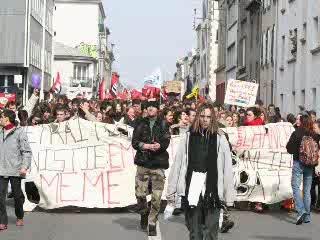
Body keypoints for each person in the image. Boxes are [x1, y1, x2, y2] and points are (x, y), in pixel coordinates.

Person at [165, 103, 235, 240]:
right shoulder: (188, 136)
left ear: (212, 118)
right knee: (195, 231)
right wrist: (171, 190)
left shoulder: (220, 138)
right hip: (192, 187)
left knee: (210, 231)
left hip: (213, 189)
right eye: (202, 116)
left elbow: (227, 168)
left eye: (208, 117)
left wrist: (229, 196)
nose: (205, 119)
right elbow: (178, 164)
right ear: (198, 117)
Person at [132, 100, 171, 236]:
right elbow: (135, 142)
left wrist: (159, 146)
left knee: (156, 196)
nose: (150, 109)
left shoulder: (164, 123)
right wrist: (147, 146)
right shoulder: (140, 123)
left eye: (153, 107)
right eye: (148, 107)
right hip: (143, 163)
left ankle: (152, 221)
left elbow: (166, 140)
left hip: (158, 163)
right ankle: (144, 213)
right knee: (140, 194)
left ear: (157, 109)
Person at [0, 109, 32, 231]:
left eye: (1, 117)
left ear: (7, 119)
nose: (0, 119)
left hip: (15, 169)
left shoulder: (19, 133)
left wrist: (24, 166)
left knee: (17, 196)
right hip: (2, 169)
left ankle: (19, 216)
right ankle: (2, 221)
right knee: (0, 196)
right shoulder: (0, 131)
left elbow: (26, 151)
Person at [286, 114, 320, 225]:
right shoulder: (314, 135)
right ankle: (307, 216)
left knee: (295, 187)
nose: (296, 120)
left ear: (301, 121)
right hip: (310, 165)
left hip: (298, 163)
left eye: (297, 119)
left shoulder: (296, 133)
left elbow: (289, 149)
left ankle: (301, 211)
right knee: (307, 191)